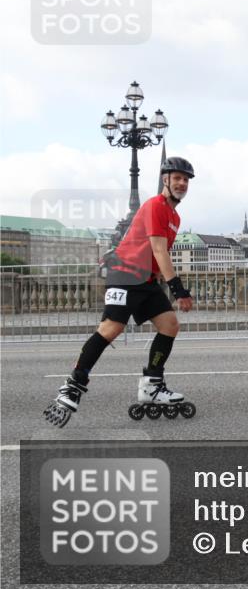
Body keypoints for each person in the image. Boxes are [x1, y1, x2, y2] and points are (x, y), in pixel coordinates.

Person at [43, 157, 197, 427]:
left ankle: (152, 385)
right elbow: (159, 250)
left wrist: (159, 279)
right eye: (177, 178)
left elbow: (157, 254)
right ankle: (73, 385)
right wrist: (178, 290)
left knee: (169, 325)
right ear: (165, 180)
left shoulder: (175, 216)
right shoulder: (155, 206)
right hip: (125, 275)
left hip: (145, 279)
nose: (182, 183)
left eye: (185, 180)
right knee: (110, 329)